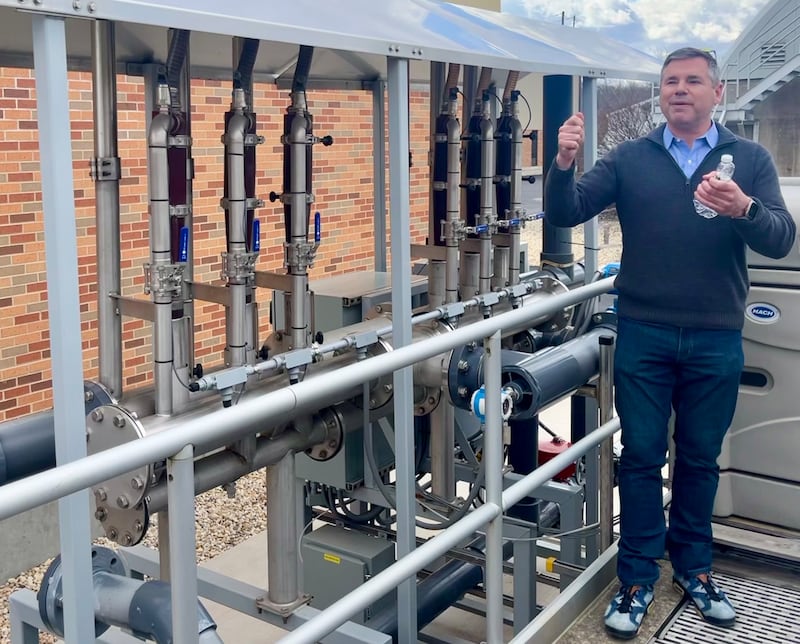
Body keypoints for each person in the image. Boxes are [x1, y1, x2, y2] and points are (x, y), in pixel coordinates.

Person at [544, 47, 796, 640]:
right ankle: (636, 579)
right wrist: (562, 162)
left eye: (691, 81)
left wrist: (745, 209)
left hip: (715, 336)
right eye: (669, 82)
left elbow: (781, 239)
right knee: (640, 458)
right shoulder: (631, 158)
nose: (678, 90)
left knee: (701, 461)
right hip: (644, 331)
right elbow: (566, 209)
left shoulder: (749, 160)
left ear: (718, 93)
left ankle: (695, 568)